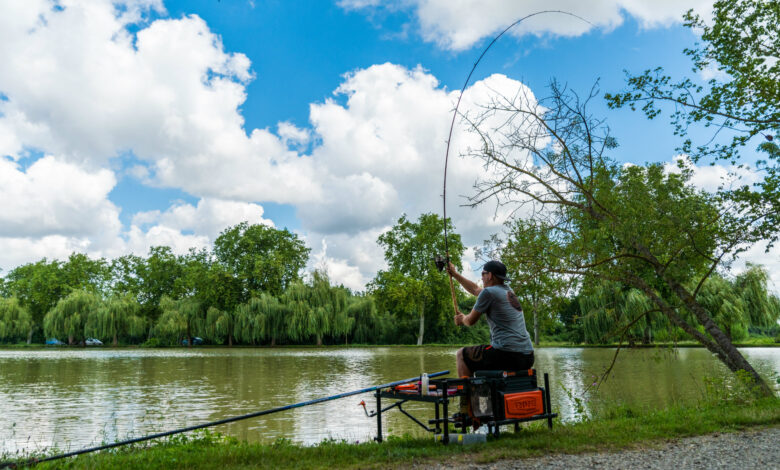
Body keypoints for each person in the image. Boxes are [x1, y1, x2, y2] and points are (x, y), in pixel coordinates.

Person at [447, 260, 534, 377]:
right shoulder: (507, 291)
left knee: (461, 355)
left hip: (507, 354)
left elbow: (470, 321)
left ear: (490, 275)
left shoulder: (489, 292)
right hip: (527, 356)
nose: (481, 277)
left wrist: (462, 318)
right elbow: (475, 289)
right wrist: (455, 274)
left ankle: (467, 395)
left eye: (483, 274)